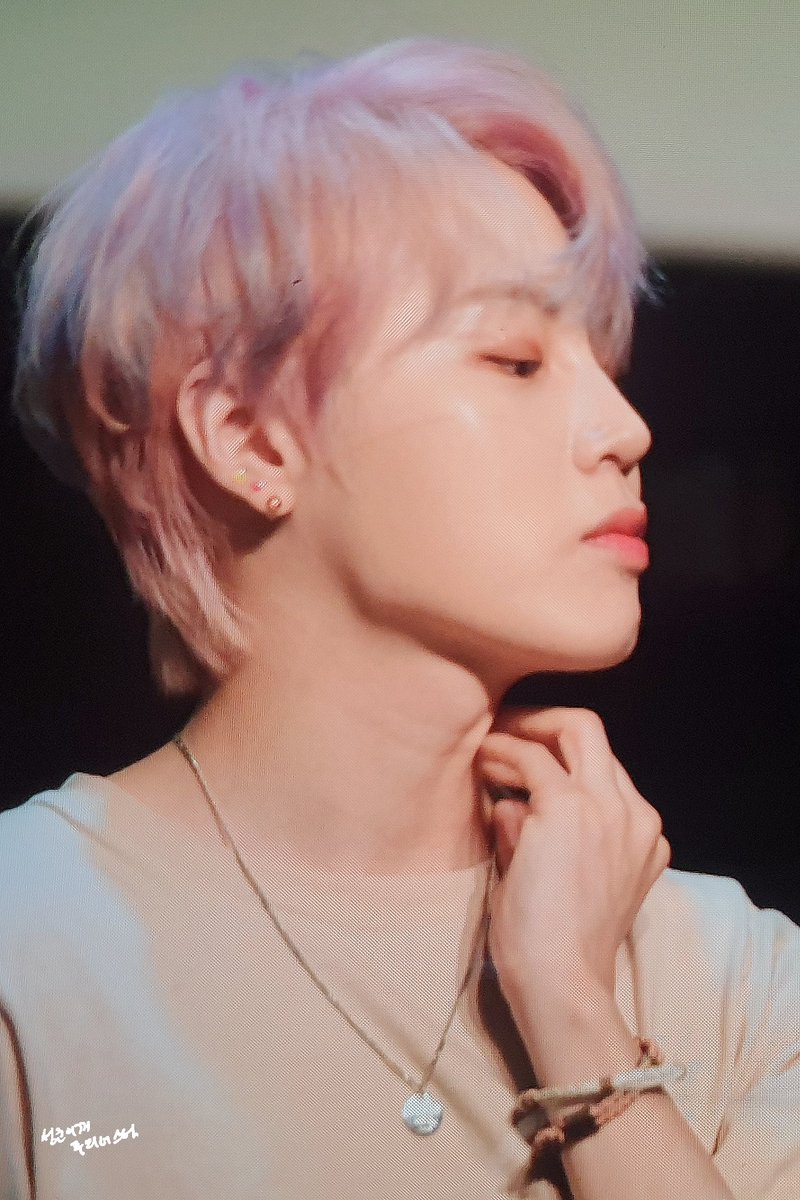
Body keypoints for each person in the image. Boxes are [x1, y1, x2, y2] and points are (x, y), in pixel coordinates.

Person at [1, 35, 797, 1200]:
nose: (623, 430)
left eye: (602, 359)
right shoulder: (31, 950)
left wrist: (574, 1012)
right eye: (514, 360)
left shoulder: (725, 974)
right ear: (249, 438)